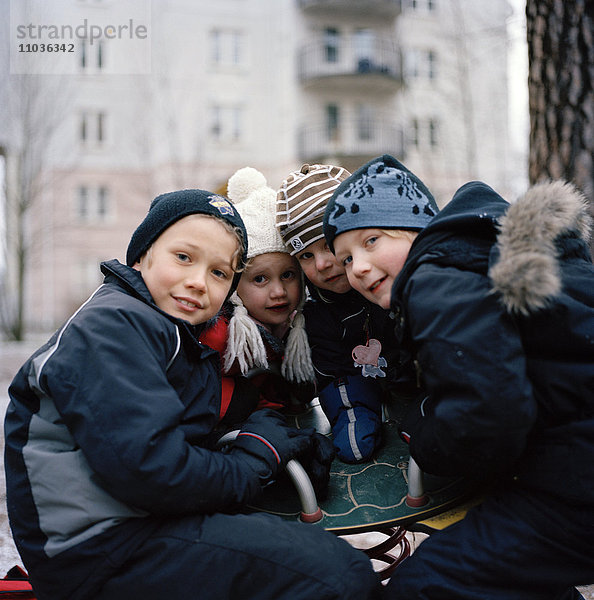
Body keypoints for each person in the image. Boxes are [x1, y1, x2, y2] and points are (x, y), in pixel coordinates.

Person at [4, 188, 383, 600]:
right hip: (100, 549)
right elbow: (153, 472)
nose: (198, 282)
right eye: (184, 257)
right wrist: (257, 458)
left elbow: (189, 436)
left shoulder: (172, 331)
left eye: (220, 273)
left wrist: (274, 450)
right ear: (141, 255)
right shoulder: (112, 328)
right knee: (339, 576)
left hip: (133, 528)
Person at [323, 153, 594, 600]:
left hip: (575, 491)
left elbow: (489, 414)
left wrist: (426, 439)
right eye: (346, 258)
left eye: (371, 240)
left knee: (425, 584)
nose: (359, 268)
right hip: (570, 470)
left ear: (419, 230)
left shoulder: (432, 282)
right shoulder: (481, 266)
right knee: (523, 579)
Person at [276, 163, 414, 463]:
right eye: (306, 256)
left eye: (329, 246)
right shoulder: (315, 309)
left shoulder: (385, 277)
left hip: (408, 366)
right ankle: (356, 410)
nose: (323, 264)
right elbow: (331, 367)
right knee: (354, 444)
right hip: (351, 373)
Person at [200, 167, 316, 427]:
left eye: (288, 275)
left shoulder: (300, 324)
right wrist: (259, 408)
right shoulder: (220, 334)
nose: (278, 292)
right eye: (260, 279)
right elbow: (200, 389)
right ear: (235, 285)